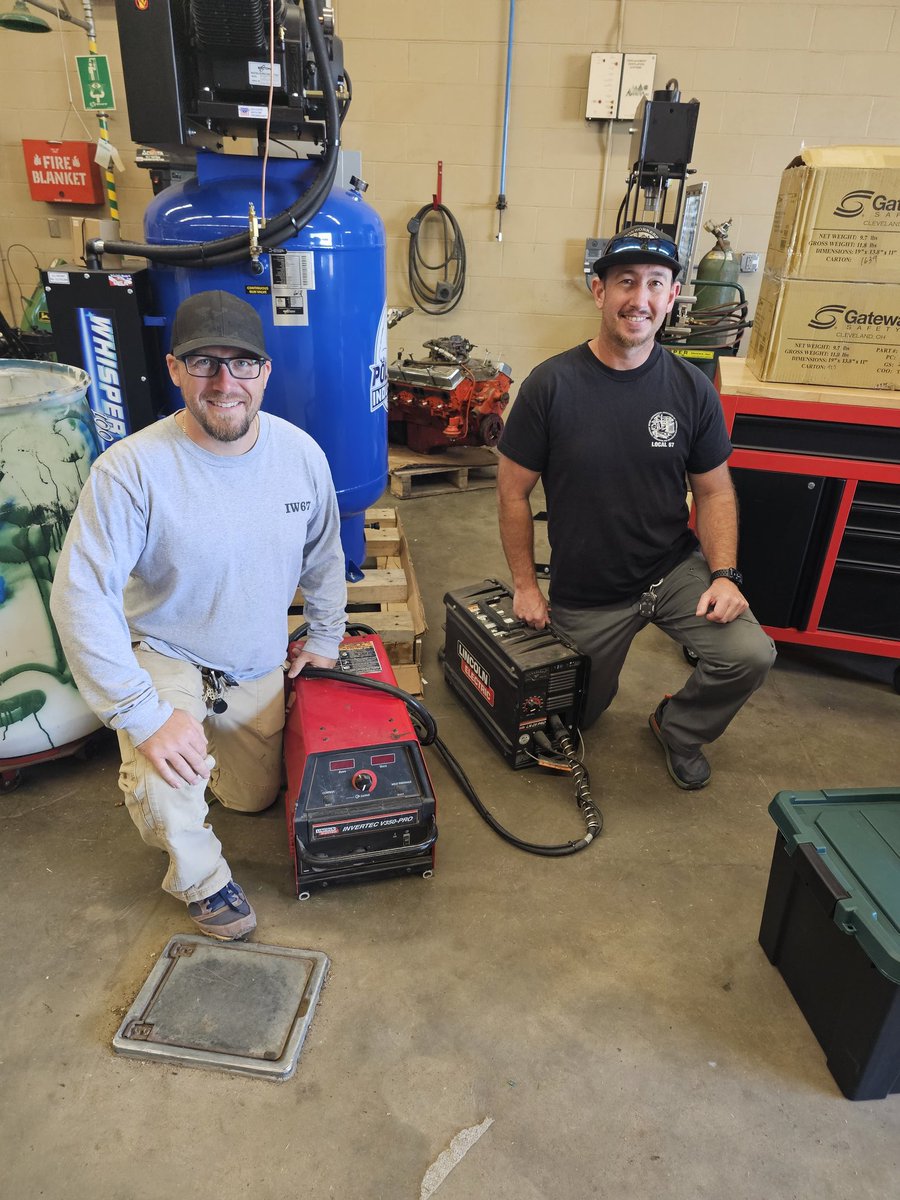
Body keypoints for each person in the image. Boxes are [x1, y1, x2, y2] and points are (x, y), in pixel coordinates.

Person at [50, 290, 347, 938]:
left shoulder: (301, 459)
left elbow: (325, 555)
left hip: (255, 661)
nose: (224, 382)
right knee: (162, 772)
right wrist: (144, 715)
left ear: (265, 372)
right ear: (174, 369)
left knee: (251, 800)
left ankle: (198, 759)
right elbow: (79, 593)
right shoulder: (131, 470)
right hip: (168, 650)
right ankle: (202, 879)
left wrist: (324, 633)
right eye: (203, 363)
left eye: (241, 363)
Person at [496, 226, 775, 790]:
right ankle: (592, 693)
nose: (639, 298)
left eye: (655, 284)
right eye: (626, 282)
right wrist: (526, 586)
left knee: (749, 654)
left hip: (671, 569)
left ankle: (679, 727)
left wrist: (724, 575)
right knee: (574, 722)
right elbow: (511, 493)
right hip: (590, 586)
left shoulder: (691, 389)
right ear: (599, 292)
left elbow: (716, 491)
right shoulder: (551, 386)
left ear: (672, 297)